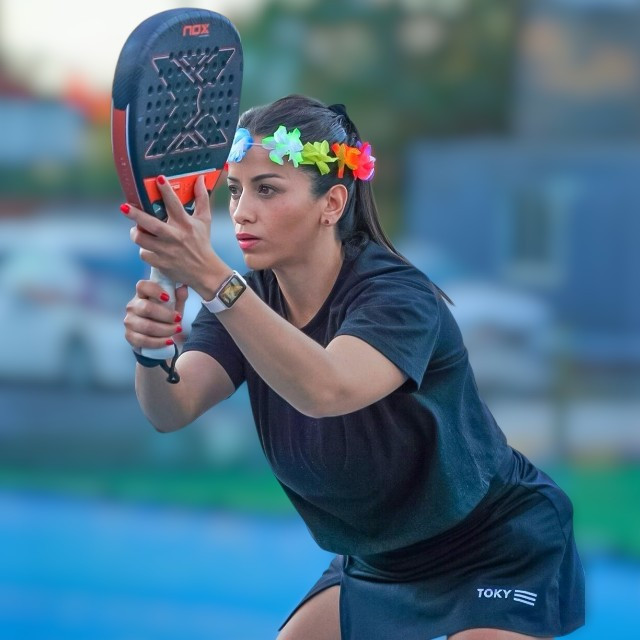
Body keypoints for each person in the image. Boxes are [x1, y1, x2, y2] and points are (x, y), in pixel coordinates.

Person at [122, 95, 585, 640]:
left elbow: (327, 388)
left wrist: (210, 279)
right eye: (235, 190)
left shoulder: (397, 296)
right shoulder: (247, 303)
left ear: (333, 203)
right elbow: (171, 409)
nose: (242, 211)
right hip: (378, 560)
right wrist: (152, 350)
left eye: (267, 189)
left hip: (494, 545)